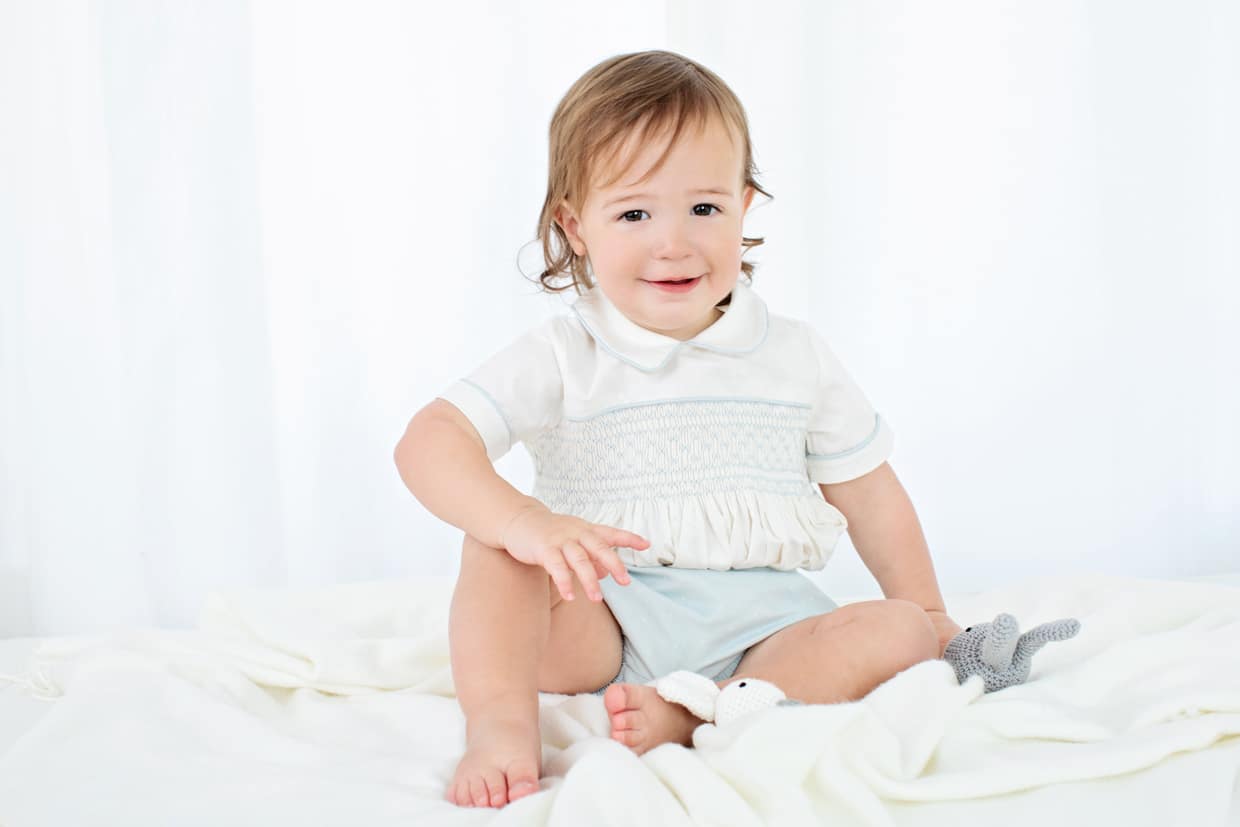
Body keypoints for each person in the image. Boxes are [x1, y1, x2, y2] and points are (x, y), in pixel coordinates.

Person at [393, 49, 964, 811]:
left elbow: (869, 492)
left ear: (744, 207)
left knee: (898, 634)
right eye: (634, 213)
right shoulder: (566, 353)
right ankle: (500, 723)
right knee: (495, 542)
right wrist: (527, 523)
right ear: (576, 225)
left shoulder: (793, 355)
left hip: (766, 631)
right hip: (604, 614)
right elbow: (429, 440)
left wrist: (927, 611)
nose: (673, 242)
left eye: (704, 208)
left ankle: (700, 708)